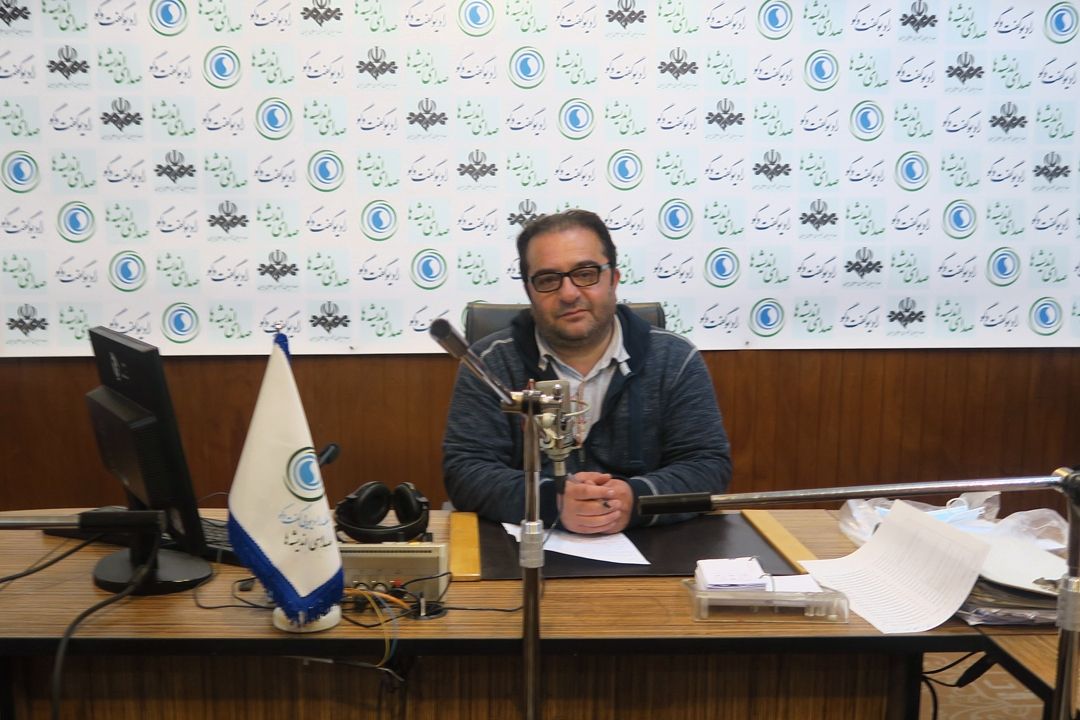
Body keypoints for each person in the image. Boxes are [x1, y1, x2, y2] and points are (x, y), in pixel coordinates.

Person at [442, 209, 732, 534]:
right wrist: (553, 501)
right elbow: (465, 471)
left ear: (614, 279)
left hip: (650, 548)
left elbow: (707, 465)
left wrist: (634, 499)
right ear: (529, 290)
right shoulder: (488, 363)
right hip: (524, 549)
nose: (569, 293)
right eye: (548, 280)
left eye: (585, 273)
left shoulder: (674, 359)